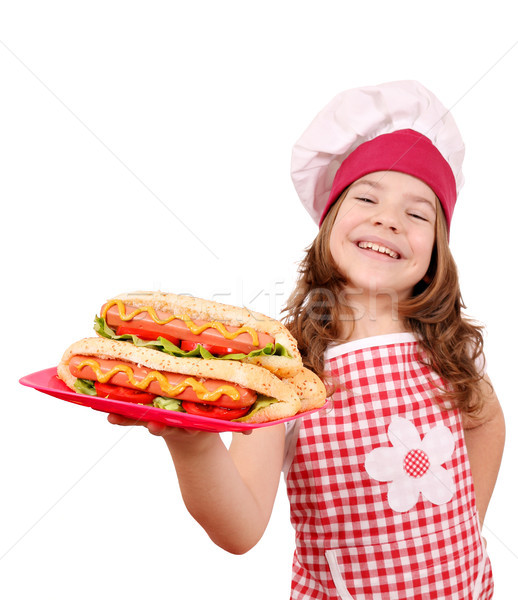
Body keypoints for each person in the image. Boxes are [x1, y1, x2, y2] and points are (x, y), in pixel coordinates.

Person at [108, 81, 505, 599]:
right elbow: (240, 528)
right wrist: (195, 443)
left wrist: (462, 527)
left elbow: (487, 421)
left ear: (437, 252)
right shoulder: (285, 368)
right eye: (367, 197)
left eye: (417, 213)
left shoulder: (450, 350)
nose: (388, 218)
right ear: (329, 224)